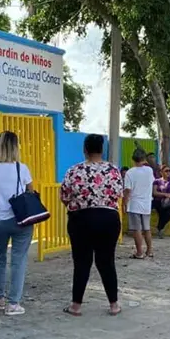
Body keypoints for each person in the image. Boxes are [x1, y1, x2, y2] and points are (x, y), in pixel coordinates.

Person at [60, 134, 123, 317]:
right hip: (109, 219)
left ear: (85, 149)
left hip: (81, 219)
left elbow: (64, 196)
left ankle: (76, 305)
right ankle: (114, 304)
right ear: (101, 149)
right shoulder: (113, 170)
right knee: (107, 261)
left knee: (81, 262)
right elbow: (119, 194)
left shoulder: (74, 170)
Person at [0, 132, 34, 316]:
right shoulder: (22, 168)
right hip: (21, 220)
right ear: (16, 146)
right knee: (18, 260)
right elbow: (30, 191)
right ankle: (13, 303)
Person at [124, 148, 155, 259]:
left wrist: (124, 203)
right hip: (146, 203)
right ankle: (150, 251)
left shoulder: (130, 173)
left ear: (133, 159)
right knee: (147, 228)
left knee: (137, 229)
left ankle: (139, 252)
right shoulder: (149, 171)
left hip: (134, 204)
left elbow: (128, 190)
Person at [152, 164, 170, 238]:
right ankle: (160, 229)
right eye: (166, 171)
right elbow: (154, 192)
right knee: (160, 206)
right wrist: (165, 195)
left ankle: (160, 227)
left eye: (169, 171)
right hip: (160, 199)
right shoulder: (157, 181)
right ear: (161, 172)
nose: (168, 172)